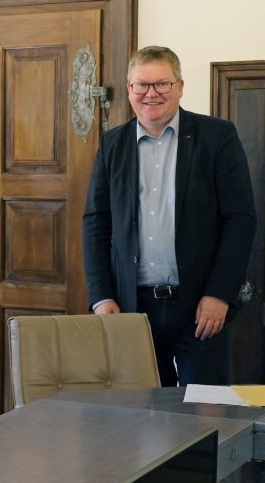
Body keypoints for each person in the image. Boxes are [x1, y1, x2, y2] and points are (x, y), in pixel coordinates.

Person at [82, 45, 255, 386]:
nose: (151, 94)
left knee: (203, 418)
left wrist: (219, 294)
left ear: (179, 86)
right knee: (142, 420)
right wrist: (102, 297)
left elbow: (240, 219)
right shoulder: (112, 144)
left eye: (162, 84)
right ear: (129, 89)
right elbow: (95, 223)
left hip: (201, 306)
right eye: (141, 85)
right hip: (132, 309)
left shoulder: (217, 137)